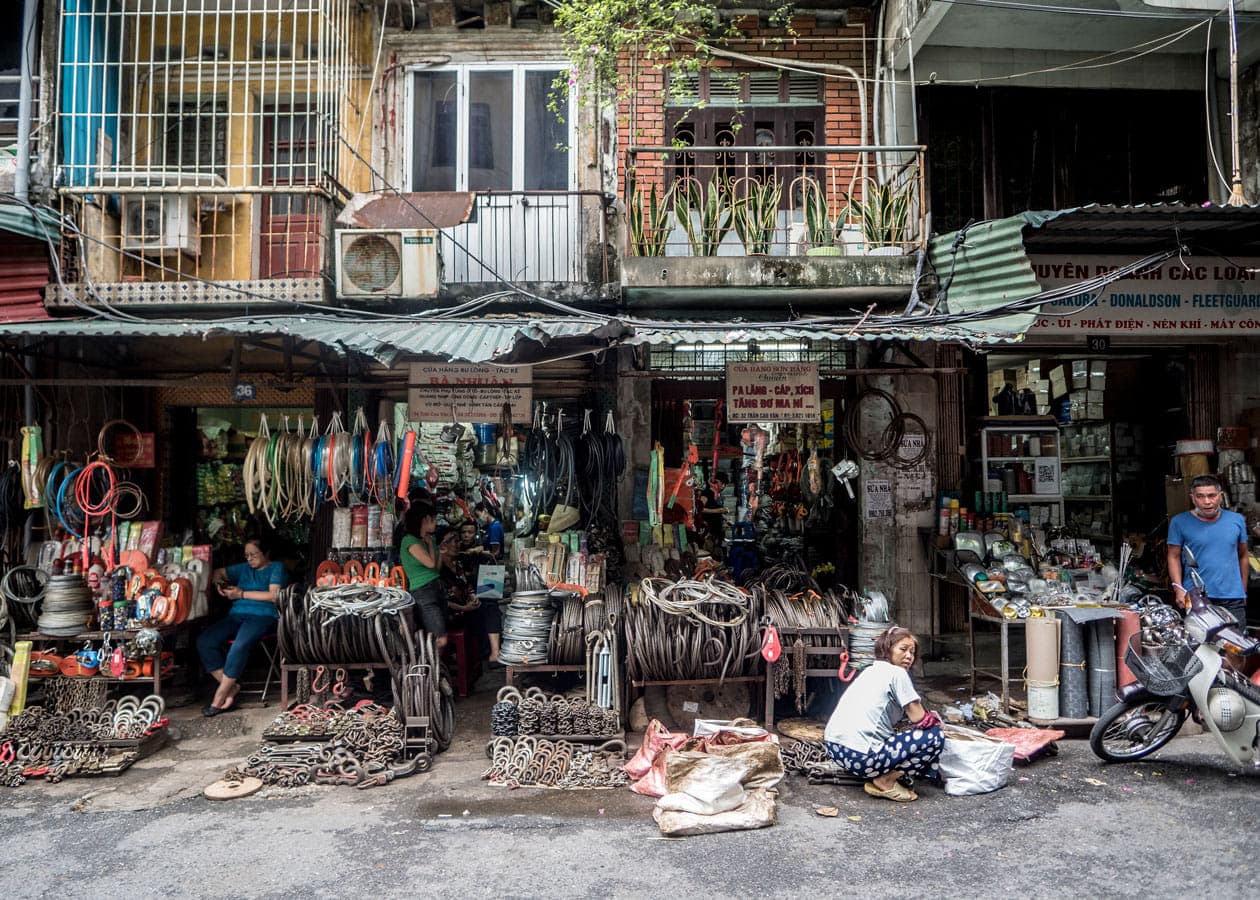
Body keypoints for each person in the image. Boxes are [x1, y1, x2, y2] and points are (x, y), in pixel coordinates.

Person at [823, 626, 943, 802]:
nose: (909, 656)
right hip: (862, 758)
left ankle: (881, 771)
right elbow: (919, 718)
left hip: (835, 749)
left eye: (912, 652)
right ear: (887, 649)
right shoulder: (898, 673)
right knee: (934, 736)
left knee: (904, 733)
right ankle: (886, 780)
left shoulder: (870, 670)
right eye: (903, 649)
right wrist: (937, 723)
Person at [196, 537, 288, 717]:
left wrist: (241, 594)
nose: (249, 559)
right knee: (205, 641)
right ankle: (231, 687)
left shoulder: (276, 567)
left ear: (266, 553)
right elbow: (217, 572)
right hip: (237, 615)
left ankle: (220, 695)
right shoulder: (244, 568)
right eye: (247, 555)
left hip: (263, 616)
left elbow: (273, 595)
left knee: (239, 646)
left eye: (254, 555)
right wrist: (220, 584)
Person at [1167, 474, 1250, 625]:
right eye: (1200, 496)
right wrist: (1178, 588)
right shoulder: (1179, 522)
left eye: (1212, 495)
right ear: (1192, 498)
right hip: (1196, 596)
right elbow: (1173, 556)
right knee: (1200, 639)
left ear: (1220, 496)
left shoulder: (1236, 520)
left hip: (1232, 597)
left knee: (1236, 638)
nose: (1206, 501)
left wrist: (1243, 589)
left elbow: (1243, 555)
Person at [400, 500, 449, 651]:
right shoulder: (409, 540)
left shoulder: (429, 539)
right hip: (423, 592)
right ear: (425, 519)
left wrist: (441, 552)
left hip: (437, 588)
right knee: (440, 639)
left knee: (439, 636)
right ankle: (428, 663)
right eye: (433, 519)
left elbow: (436, 569)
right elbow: (430, 564)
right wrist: (430, 545)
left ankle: (434, 664)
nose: (436, 523)